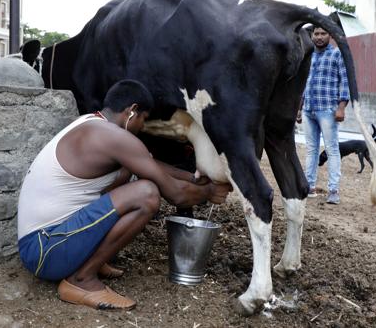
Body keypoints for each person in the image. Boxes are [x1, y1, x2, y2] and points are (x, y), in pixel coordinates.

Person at [17, 79, 232, 310]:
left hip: (44, 244)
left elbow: (149, 164)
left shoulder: (93, 124)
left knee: (132, 176)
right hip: (44, 252)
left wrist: (193, 178)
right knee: (146, 194)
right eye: (144, 119)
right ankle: (81, 280)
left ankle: (88, 261)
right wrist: (209, 192)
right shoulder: (115, 138)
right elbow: (176, 196)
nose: (142, 127)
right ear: (132, 111)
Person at [296, 25, 349, 204]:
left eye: (323, 34)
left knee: (332, 149)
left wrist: (342, 107)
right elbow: (303, 84)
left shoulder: (336, 54)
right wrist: (299, 108)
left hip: (328, 110)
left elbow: (345, 81)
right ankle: (309, 186)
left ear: (330, 36)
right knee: (311, 149)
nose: (319, 37)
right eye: (316, 34)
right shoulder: (308, 56)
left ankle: (333, 190)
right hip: (309, 108)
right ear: (312, 36)